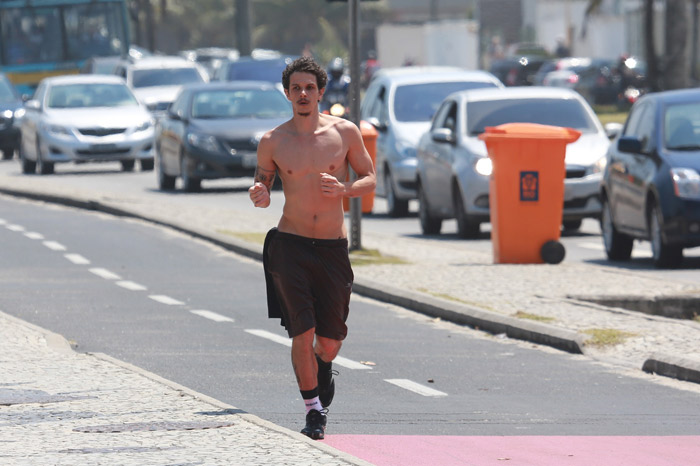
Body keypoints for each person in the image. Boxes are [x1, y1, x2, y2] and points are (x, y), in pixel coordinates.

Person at [248, 56, 376, 440]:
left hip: (332, 248)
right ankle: (313, 412)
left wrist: (345, 189)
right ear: (287, 94)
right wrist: (259, 194)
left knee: (331, 342)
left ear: (320, 92)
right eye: (295, 88)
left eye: (309, 88)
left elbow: (370, 177)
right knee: (302, 333)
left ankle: (322, 366)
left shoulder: (345, 132)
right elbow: (262, 186)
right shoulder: (273, 141)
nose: (302, 94)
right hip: (290, 246)